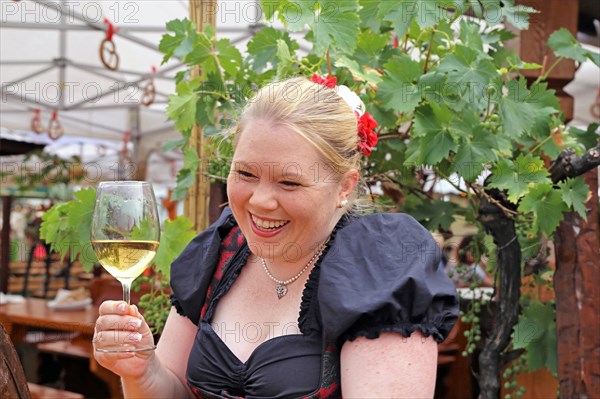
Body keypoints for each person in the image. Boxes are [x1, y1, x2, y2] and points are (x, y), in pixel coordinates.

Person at [93, 75, 459, 398]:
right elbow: (172, 389)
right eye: (246, 174)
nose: (260, 201)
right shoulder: (218, 251)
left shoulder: (381, 268)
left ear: (345, 186)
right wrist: (142, 369)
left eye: (289, 182)